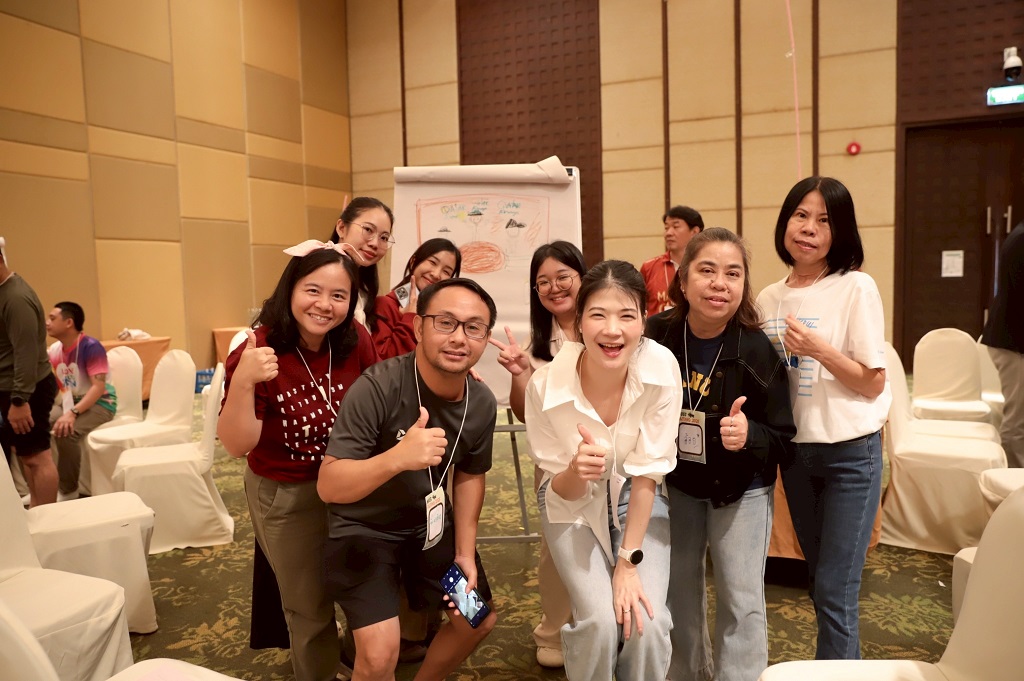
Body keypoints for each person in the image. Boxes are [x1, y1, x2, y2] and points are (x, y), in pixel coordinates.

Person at [318, 278, 499, 681]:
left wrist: (464, 553)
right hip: (364, 531)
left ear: (485, 338)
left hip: (428, 533)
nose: (459, 338)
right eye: (445, 323)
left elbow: (470, 475)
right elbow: (329, 485)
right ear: (418, 327)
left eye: (473, 328)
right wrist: (397, 458)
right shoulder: (377, 387)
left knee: (476, 620)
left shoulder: (481, 402)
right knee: (380, 656)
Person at [218, 243, 378, 681]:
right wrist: (244, 380)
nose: (324, 305)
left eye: (338, 295)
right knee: (308, 606)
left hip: (351, 484)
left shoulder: (354, 339)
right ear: (290, 288)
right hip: (288, 492)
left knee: (365, 587)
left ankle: (355, 662)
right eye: (313, 290)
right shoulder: (258, 348)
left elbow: (380, 398)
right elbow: (236, 444)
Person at [645, 228, 795, 681]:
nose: (719, 284)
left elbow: (784, 436)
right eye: (707, 270)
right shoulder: (657, 335)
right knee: (678, 589)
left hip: (741, 488)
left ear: (743, 285)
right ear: (683, 279)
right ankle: (688, 673)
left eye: (733, 274)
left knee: (741, 597)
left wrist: (750, 435)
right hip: (678, 483)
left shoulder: (756, 348)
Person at [524, 260, 683, 680]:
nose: (612, 331)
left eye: (627, 316)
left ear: (643, 321)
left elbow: (648, 474)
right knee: (597, 622)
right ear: (578, 322)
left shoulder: (661, 368)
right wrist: (576, 471)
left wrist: (627, 565)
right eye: (598, 315)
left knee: (645, 622)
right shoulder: (545, 386)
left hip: (637, 493)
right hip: (570, 503)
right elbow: (559, 489)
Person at [756, 176, 891, 660]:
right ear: (785, 222)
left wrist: (819, 349)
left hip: (851, 455)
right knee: (818, 581)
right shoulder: (768, 298)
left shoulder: (856, 287)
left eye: (824, 220)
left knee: (836, 590)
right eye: (800, 215)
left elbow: (872, 382)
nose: (809, 228)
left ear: (841, 231)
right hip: (797, 456)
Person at [490, 240, 586, 668]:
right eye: (543, 282)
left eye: (563, 277)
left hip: (607, 459)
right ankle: (555, 630)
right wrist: (520, 373)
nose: (554, 287)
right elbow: (523, 410)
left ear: (583, 277)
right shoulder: (537, 344)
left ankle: (601, 625)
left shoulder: (606, 330)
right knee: (556, 550)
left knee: (611, 543)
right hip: (554, 465)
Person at [0, 238, 60, 507]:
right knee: (27, 457)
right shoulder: (4, 292)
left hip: (27, 390)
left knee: (38, 458)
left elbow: (25, 353)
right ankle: (37, 512)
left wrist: (19, 400)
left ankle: (48, 521)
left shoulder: (16, 299)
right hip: (15, 388)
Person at [45, 301, 117, 501]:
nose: (47, 322)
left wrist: (72, 413)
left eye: (52, 318)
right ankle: (40, 487)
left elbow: (98, 387)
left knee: (66, 432)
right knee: (34, 424)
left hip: (100, 403)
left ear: (69, 322)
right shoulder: (55, 350)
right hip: (69, 402)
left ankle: (68, 491)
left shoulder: (91, 347)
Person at [981, 215, 1024, 468]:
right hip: (1013, 343)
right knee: (1017, 421)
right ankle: (1014, 480)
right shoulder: (1022, 238)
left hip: (1013, 340)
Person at [374, 238, 461, 360]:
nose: (436, 274)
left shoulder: (438, 316)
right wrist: (409, 318)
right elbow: (381, 360)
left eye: (446, 272)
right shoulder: (385, 304)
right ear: (413, 262)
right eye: (432, 262)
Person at [329, 196, 396, 331]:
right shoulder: (321, 273)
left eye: (384, 238)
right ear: (342, 228)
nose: (375, 243)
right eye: (368, 230)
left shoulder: (363, 291)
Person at [640, 205, 704, 316]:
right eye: (666, 228)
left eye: (676, 226)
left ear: (694, 232)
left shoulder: (705, 268)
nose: (668, 233)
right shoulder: (649, 267)